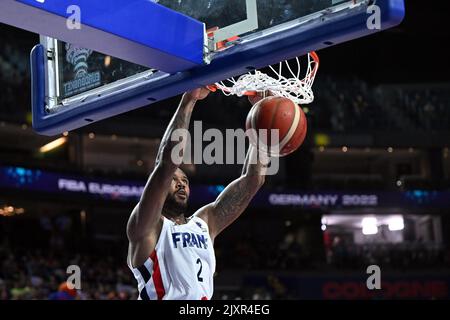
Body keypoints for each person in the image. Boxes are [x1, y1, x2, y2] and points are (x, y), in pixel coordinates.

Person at [126, 88, 269, 300]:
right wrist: (189, 100)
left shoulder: (205, 223)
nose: (181, 184)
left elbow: (254, 179)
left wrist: (263, 118)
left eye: (185, 180)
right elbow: (166, 164)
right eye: (174, 180)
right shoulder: (148, 226)